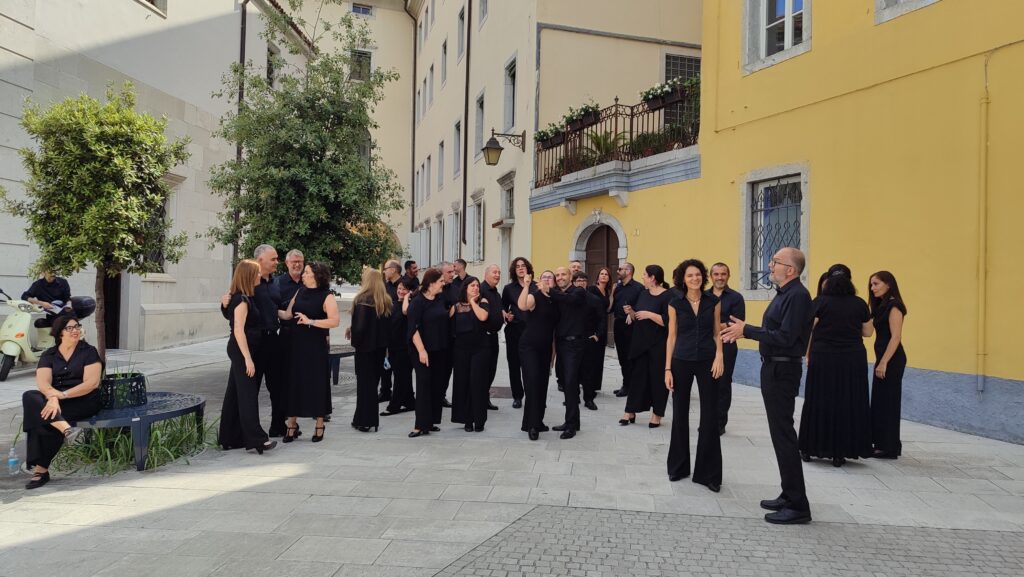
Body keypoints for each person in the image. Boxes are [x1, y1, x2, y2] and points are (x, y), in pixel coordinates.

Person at [721, 247, 814, 525]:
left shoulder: (797, 296)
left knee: (784, 435)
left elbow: (785, 337)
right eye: (772, 261)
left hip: (782, 369)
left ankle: (798, 505)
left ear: (791, 270)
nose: (770, 265)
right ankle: (789, 493)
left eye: (776, 262)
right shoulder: (785, 294)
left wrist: (746, 330)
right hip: (774, 366)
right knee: (779, 434)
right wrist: (747, 327)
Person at [799, 264, 873, 467]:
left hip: (824, 357)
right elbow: (867, 332)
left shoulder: (820, 302)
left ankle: (811, 447)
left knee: (819, 400)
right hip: (852, 357)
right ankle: (842, 451)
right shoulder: (859, 304)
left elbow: (808, 328)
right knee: (848, 401)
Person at [21, 315, 103, 489]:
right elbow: (43, 383)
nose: (75, 331)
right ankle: (66, 429)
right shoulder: (49, 354)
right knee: (30, 396)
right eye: (70, 328)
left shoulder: (88, 352)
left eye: (77, 327)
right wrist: (52, 397)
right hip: (57, 400)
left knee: (45, 416)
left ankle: (40, 470)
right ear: (59, 333)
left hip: (84, 400)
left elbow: (91, 383)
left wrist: (60, 396)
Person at [665, 259, 724, 493]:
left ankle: (708, 474)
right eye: (690, 276)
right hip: (681, 360)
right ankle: (678, 468)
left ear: (703, 277)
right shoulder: (674, 303)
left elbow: (717, 332)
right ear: (683, 279)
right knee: (679, 413)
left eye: (698, 275)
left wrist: (720, 356)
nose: (694, 279)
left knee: (710, 415)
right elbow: (671, 336)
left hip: (708, 361)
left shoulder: (713, 301)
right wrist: (667, 368)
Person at [221, 245, 283, 435]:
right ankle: (240, 433)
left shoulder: (276, 283)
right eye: (273, 259)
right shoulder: (247, 286)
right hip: (253, 343)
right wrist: (224, 306)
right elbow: (234, 313)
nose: (276, 262)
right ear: (260, 260)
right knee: (249, 388)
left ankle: (278, 427)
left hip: (272, 339)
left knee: (278, 386)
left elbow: (278, 308)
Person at [282, 262, 340, 443]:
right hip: (296, 344)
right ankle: (291, 424)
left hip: (315, 347)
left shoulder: (327, 296)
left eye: (307, 272)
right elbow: (288, 314)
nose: (303, 274)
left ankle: (319, 425)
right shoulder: (299, 291)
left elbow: (334, 321)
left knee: (317, 383)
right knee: (294, 382)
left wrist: (311, 321)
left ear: (316, 276)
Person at [621, 265, 674, 427]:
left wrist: (650, 315)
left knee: (658, 380)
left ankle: (657, 414)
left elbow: (668, 321)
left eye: (645, 275)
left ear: (653, 278)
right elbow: (637, 316)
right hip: (640, 342)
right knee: (637, 378)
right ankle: (630, 411)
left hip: (658, 345)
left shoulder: (668, 296)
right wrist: (630, 312)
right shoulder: (643, 293)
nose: (642, 277)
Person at [868, 271, 908, 459]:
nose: (872, 288)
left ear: (888, 284)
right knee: (880, 401)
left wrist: (884, 362)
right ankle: (883, 443)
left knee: (888, 402)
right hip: (882, 358)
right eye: (871, 285)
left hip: (891, 360)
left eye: (876, 284)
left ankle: (889, 447)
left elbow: (896, 337)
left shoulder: (894, 306)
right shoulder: (881, 306)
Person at [347, 268, 392, 433]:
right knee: (373, 384)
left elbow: (360, 328)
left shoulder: (362, 299)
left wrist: (355, 341)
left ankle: (365, 420)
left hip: (365, 348)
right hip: (379, 349)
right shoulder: (385, 300)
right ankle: (364, 419)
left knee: (364, 385)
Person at [406, 268, 450, 437]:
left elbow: (446, 314)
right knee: (424, 385)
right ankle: (419, 425)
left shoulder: (440, 298)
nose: (443, 284)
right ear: (431, 283)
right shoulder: (418, 302)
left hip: (439, 348)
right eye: (440, 281)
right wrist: (422, 351)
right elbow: (413, 329)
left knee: (437, 385)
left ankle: (430, 422)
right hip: (421, 350)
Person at [518, 270, 558, 440]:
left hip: (545, 347)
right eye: (544, 277)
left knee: (542, 385)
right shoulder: (534, 296)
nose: (547, 279)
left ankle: (535, 421)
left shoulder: (556, 299)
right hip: (529, 347)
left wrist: (553, 354)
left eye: (550, 277)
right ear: (539, 281)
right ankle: (532, 426)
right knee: (533, 383)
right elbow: (522, 305)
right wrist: (526, 285)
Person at [449, 276, 492, 432]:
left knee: (478, 383)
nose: (476, 288)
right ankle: (467, 420)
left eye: (477, 286)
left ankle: (479, 420)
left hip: (480, 348)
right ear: (465, 288)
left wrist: (473, 302)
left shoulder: (483, 302)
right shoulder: (456, 306)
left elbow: (483, 317)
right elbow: (450, 328)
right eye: (472, 286)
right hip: (461, 349)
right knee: (463, 383)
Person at [549, 267, 587, 439]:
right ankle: (573, 421)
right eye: (557, 275)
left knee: (571, 383)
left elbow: (569, 300)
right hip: (561, 344)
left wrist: (549, 290)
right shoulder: (556, 294)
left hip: (575, 345)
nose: (560, 277)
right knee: (565, 383)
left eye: (563, 274)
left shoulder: (578, 292)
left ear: (571, 277)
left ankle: (571, 426)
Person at [707, 263, 745, 435]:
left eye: (723, 274)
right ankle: (707, 420)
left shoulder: (736, 297)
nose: (720, 277)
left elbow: (736, 324)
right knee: (706, 384)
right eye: (716, 274)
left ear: (728, 276)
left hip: (727, 346)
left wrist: (714, 325)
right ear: (711, 276)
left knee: (723, 384)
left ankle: (720, 423)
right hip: (705, 346)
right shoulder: (703, 296)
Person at [269, 249, 304, 436]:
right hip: (286, 337)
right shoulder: (278, 283)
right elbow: (274, 307)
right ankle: (278, 423)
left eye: (300, 261)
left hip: (306, 338)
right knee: (282, 382)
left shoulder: (309, 281)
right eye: (294, 262)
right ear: (287, 263)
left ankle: (293, 421)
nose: (297, 264)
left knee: (298, 381)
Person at [381, 277, 417, 417]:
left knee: (401, 376)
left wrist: (407, 298)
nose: (401, 291)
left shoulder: (411, 305)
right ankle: (410, 402)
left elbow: (405, 312)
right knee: (403, 375)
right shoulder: (393, 303)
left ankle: (394, 405)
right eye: (399, 289)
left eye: (404, 289)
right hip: (393, 345)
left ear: (410, 291)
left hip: (405, 347)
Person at [502, 257, 533, 408]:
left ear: (528, 268)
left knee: (530, 364)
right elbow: (503, 308)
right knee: (514, 364)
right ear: (514, 271)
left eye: (523, 266)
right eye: (517, 267)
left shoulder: (535, 286)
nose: (521, 268)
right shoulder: (509, 288)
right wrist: (506, 315)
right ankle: (517, 396)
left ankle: (532, 394)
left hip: (531, 330)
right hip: (514, 330)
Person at [611, 263, 643, 397]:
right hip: (618, 324)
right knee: (622, 357)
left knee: (631, 357)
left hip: (632, 326)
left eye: (620, 269)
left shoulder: (638, 288)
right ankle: (626, 384)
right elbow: (611, 308)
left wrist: (632, 312)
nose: (618, 271)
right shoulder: (617, 287)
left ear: (628, 271)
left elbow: (642, 309)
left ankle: (632, 386)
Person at [576, 272, 606, 411]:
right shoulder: (568, 298)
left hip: (588, 339)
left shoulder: (594, 299)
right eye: (578, 280)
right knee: (572, 372)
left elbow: (601, 319)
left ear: (587, 282)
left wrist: (597, 335)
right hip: (572, 339)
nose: (581, 282)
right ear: (574, 282)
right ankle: (573, 397)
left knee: (588, 371)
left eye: (583, 280)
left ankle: (589, 399)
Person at [378, 259, 404, 403]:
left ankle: (399, 394)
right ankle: (385, 390)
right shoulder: (384, 286)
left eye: (386, 268)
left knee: (399, 366)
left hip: (400, 332)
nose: (384, 271)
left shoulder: (405, 284)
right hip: (386, 329)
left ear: (393, 270)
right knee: (385, 362)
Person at [481, 265, 504, 410]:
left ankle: (485, 398)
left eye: (499, 273)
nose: (497, 275)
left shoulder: (496, 293)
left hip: (494, 337)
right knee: (483, 370)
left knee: (491, 369)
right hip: (483, 337)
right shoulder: (481, 290)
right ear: (486, 274)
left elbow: (497, 309)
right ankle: (479, 399)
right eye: (494, 272)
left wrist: (504, 315)